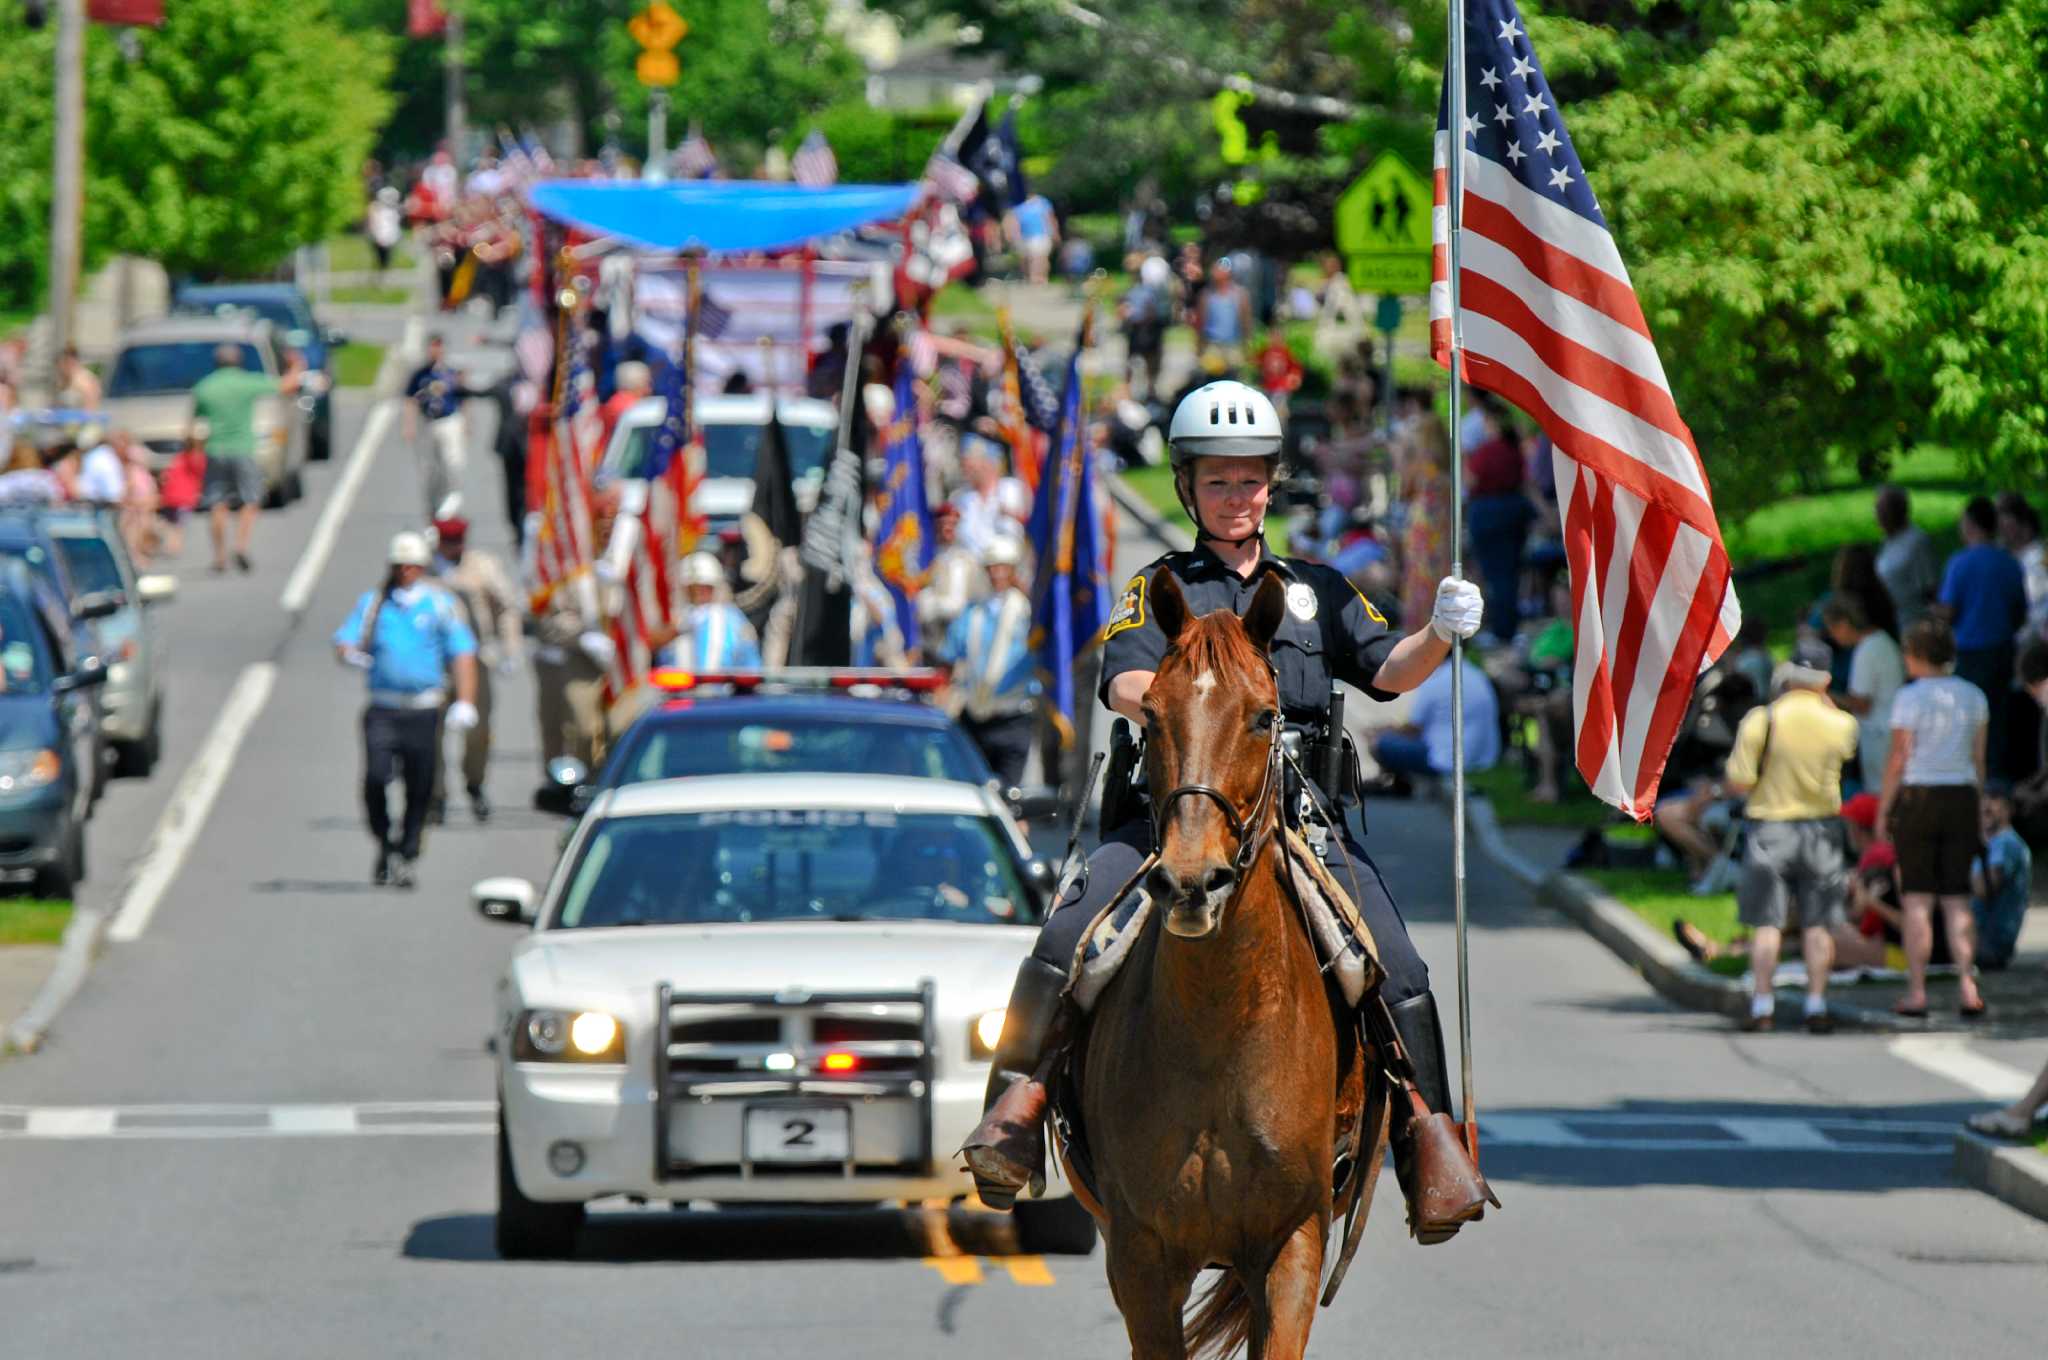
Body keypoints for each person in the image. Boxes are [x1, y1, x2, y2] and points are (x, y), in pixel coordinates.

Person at [960, 378, 1497, 1244]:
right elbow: (1123, 678)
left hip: (1299, 818)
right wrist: (1187, 702)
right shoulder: (1162, 587)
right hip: (1171, 814)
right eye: (1218, 480)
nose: (1236, 496)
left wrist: (1439, 629)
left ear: (1271, 485)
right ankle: (1013, 1114)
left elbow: (1389, 672)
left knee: (1395, 964)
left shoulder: (1314, 589)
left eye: (1250, 480)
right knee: (1068, 938)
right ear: (1187, 488)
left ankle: (1427, 1144)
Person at [1721, 637, 1860, 1033]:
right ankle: (1816, 1004)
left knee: (1767, 923)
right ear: (1825, 678)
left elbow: (1739, 780)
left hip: (1769, 826)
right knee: (1818, 924)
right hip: (1821, 829)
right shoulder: (1841, 724)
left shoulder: (1760, 720)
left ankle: (1762, 1003)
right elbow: (1847, 752)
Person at [333, 532, 478, 888]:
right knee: (375, 779)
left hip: (423, 710)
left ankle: (409, 847)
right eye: (400, 566)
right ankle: (384, 841)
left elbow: (462, 652)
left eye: (412, 566)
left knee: (420, 784)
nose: (406, 572)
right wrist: (350, 655)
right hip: (384, 708)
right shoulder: (374, 603)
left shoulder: (439, 604)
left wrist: (465, 701)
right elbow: (344, 640)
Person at [1880, 618, 1989, 1019]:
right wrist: (1978, 807)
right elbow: (1979, 760)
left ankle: (1918, 990)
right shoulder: (1974, 696)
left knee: (1917, 900)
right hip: (1960, 795)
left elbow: (1898, 758)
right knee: (1958, 899)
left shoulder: (1910, 698)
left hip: (1919, 797)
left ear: (1918, 654)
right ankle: (1967, 983)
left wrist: (1884, 810)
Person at [428, 517, 520, 824]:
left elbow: (506, 604)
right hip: (435, 663)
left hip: (475, 658)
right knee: (432, 732)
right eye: (448, 541)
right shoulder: (425, 569)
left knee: (479, 730)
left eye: (458, 541)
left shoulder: (482, 566)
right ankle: (436, 793)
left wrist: (509, 648)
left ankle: (475, 782)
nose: (453, 547)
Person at [192, 342, 308, 573]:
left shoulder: (204, 387)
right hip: (242, 447)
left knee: (217, 503)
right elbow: (287, 385)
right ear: (238, 362)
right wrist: (297, 365)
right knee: (250, 499)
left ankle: (219, 556)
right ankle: (241, 545)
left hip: (215, 448)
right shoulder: (245, 382)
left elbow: (196, 421)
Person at [1935, 495, 2026, 778]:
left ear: (1971, 524)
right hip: (2003, 649)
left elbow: (1948, 611)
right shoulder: (2008, 562)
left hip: (1970, 652)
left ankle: (1974, 775)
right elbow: (2020, 610)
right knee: (1998, 718)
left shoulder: (1959, 564)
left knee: (1969, 717)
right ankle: (1999, 777)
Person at [941, 537, 1039, 790]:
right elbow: (951, 653)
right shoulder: (973, 613)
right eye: (991, 568)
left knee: (1011, 798)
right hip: (975, 716)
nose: (996, 574)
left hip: (1012, 716)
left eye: (1002, 567)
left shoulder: (1027, 613)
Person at [1367, 648, 1501, 781]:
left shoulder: (1435, 679)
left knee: (1379, 743)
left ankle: (1398, 784)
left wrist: (1383, 731)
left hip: (1445, 760)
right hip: (1484, 759)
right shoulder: (1477, 675)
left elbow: (1413, 729)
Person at [1463, 402, 1535, 642]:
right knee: (1509, 574)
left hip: (1488, 512)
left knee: (1494, 575)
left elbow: (1471, 481)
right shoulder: (1514, 449)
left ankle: (1500, 629)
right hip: (1512, 511)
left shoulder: (1487, 451)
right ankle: (1508, 627)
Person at [1823, 596, 1904, 793]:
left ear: (1843, 624)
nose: (1833, 636)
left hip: (1879, 735)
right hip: (1890, 730)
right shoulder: (1882, 640)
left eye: (1832, 629)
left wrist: (1826, 696)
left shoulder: (1868, 649)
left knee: (1881, 792)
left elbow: (1861, 703)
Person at [654, 552, 762, 671]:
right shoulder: (674, 620)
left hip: (720, 687)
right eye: (693, 587)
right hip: (678, 686)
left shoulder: (733, 620)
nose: (699, 592)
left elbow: (749, 664)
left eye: (705, 587)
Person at [403, 334, 467, 519]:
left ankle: (453, 500)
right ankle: (433, 506)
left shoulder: (451, 372)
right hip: (428, 422)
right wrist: (409, 425)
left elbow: (463, 396)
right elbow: (410, 400)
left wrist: (466, 422)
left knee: (453, 462)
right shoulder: (420, 375)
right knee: (429, 468)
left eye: (438, 347)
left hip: (449, 420)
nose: (435, 351)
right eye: (432, 347)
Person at [1971, 781, 2031, 971]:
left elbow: (1984, 889)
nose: (1987, 805)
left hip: (1990, 944)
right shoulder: (1992, 843)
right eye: (1984, 799)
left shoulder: (2007, 843)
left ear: (2009, 809)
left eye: (1995, 799)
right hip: (1981, 940)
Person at [916, 501, 983, 659]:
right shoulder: (926, 560)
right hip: (932, 636)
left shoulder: (968, 561)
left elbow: (972, 600)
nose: (947, 529)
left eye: (952, 524)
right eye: (942, 524)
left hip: (961, 634)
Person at [1874, 484, 1940, 629]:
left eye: (1883, 510)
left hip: (1913, 624)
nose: (1877, 516)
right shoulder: (1887, 541)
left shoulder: (1917, 541)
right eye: (1877, 510)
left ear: (1899, 511)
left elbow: (1931, 588)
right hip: (1891, 623)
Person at [1119, 256, 1172, 400]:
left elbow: (1154, 311)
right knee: (1131, 363)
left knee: (1152, 361)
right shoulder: (1132, 291)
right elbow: (1123, 309)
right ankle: (1128, 393)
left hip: (1149, 330)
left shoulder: (1154, 291)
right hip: (1136, 331)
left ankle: (1151, 391)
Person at [156, 429, 206, 560]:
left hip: (171, 496)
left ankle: (170, 545)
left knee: (170, 523)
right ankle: (174, 546)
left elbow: (164, 476)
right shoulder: (198, 458)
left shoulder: (179, 458)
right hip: (184, 498)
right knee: (178, 525)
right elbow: (202, 475)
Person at [1196, 258, 1253, 368]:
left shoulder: (1240, 294)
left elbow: (1246, 321)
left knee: (1233, 377)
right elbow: (1201, 321)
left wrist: (1247, 344)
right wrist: (1200, 345)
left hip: (1233, 344)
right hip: (1213, 345)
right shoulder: (1206, 295)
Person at [1007, 192, 1059, 286]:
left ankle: (1034, 277)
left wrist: (1014, 236)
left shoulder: (1023, 207)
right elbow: (1050, 219)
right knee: (1035, 258)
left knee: (1034, 258)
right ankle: (1035, 278)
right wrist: (1055, 233)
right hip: (1034, 236)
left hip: (1034, 236)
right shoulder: (1040, 204)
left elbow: (1014, 223)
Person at [367, 186, 404, 277]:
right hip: (380, 236)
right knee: (381, 258)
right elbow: (375, 223)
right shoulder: (376, 208)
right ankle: (381, 273)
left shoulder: (393, 209)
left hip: (389, 237)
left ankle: (384, 273)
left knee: (387, 258)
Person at [55, 345, 100, 410]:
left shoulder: (84, 379)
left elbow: (91, 406)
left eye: (64, 362)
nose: (61, 367)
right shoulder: (64, 380)